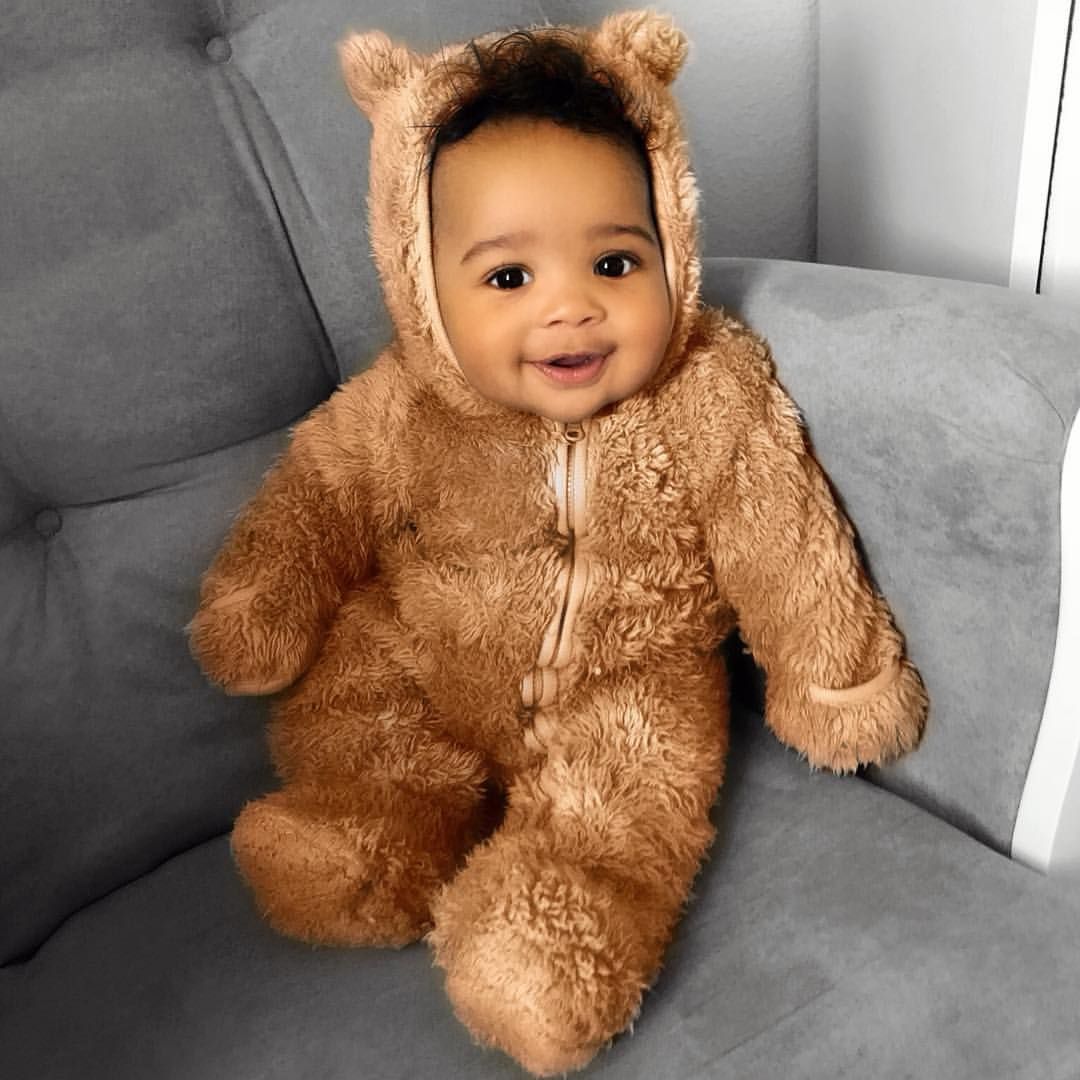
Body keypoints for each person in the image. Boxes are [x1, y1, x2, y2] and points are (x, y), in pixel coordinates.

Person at [190, 13, 926, 1076]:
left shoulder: (710, 390)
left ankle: (552, 938)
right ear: (421, 283)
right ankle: (369, 828)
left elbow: (781, 536)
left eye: (615, 262)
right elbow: (320, 496)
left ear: (672, 246)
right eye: (508, 279)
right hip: (426, 654)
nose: (572, 308)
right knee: (362, 690)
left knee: (635, 801)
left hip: (627, 689)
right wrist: (261, 596)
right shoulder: (401, 405)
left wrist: (834, 673)